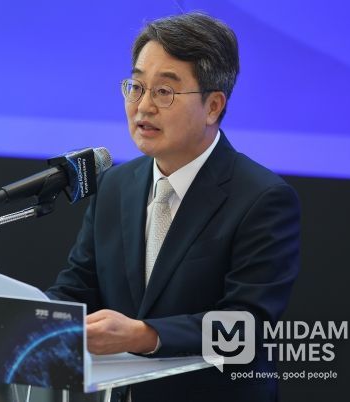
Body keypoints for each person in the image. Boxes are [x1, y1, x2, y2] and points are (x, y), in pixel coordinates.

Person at [46, 12, 300, 402]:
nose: (143, 106)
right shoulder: (115, 185)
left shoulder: (262, 198)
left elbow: (247, 327)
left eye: (164, 91)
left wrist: (145, 336)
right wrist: (36, 320)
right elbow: (77, 286)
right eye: (136, 87)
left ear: (213, 106)